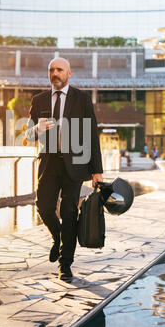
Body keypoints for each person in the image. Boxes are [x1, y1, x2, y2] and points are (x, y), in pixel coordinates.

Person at [25, 57, 103, 280]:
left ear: (69, 73)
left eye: (59, 69)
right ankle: (58, 238)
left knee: (69, 212)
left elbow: (91, 135)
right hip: (49, 164)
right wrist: (36, 129)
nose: (55, 73)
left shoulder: (81, 99)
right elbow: (29, 135)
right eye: (51, 69)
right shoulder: (39, 99)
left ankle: (65, 263)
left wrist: (97, 171)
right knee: (44, 206)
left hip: (75, 166)